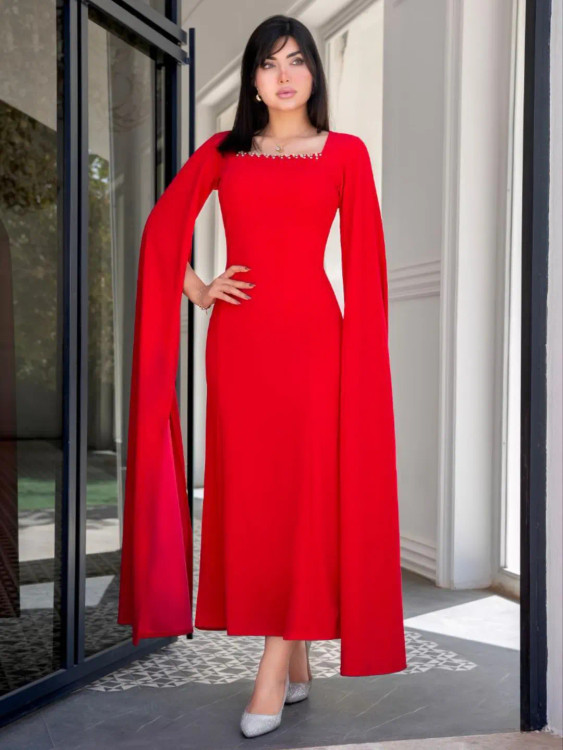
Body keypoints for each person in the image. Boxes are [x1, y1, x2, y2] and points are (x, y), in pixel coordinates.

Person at [118, 14, 407, 739]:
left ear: (313, 73)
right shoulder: (224, 151)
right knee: (257, 500)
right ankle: (297, 653)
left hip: (314, 347)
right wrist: (197, 287)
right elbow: (160, 229)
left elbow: (366, 266)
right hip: (240, 349)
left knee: (305, 500)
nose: (284, 75)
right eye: (270, 63)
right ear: (252, 78)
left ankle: (274, 670)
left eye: (297, 60)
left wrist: (362, 369)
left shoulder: (345, 153)